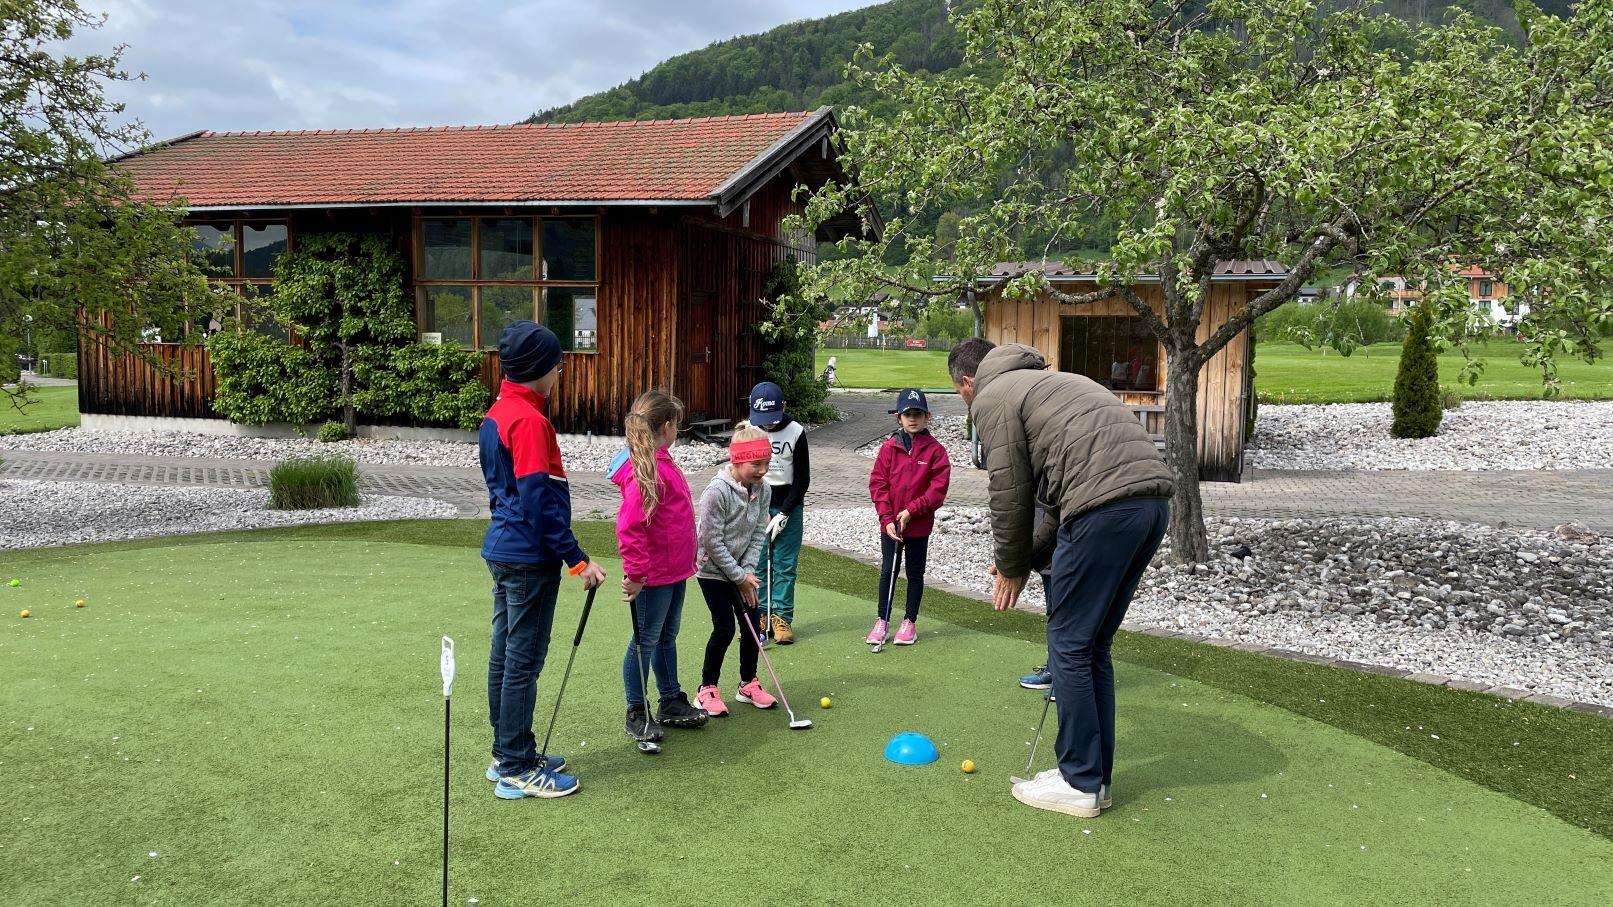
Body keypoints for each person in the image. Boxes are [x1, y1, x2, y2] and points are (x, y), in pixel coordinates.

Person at [949, 337, 1171, 818]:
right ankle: (1093, 777)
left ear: (968, 383)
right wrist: (1026, 557)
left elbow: (1010, 492)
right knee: (1091, 646)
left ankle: (1079, 782)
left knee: (1069, 645)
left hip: (1105, 510)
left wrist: (1010, 567)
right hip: (1151, 506)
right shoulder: (1053, 381)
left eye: (961, 394)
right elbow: (1055, 500)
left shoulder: (992, 396)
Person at [479, 321, 606, 800]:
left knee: (506, 656)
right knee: (522, 662)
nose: (561, 372)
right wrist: (576, 559)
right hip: (529, 557)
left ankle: (509, 751)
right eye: (558, 365)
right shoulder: (530, 421)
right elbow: (536, 500)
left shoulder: (500, 411)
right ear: (540, 370)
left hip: (505, 549)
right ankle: (515, 763)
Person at [608, 390, 708, 749]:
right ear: (667, 426)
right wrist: (635, 575)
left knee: (666, 636)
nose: (677, 430)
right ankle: (637, 711)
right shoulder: (644, 470)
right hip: (653, 576)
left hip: (675, 570)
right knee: (645, 642)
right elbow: (629, 527)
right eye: (677, 424)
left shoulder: (661, 461)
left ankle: (670, 699)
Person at [693, 425, 778, 716]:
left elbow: (758, 533)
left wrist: (747, 572)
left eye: (767, 463)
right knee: (725, 627)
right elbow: (711, 542)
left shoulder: (763, 489)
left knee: (752, 624)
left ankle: (747, 684)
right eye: (757, 464)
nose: (763, 470)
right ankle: (706, 688)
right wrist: (739, 577)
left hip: (742, 569)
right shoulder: (716, 492)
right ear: (738, 460)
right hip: (712, 570)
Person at [866, 388, 951, 647]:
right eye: (907, 414)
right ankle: (882, 620)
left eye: (917, 414)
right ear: (898, 418)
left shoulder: (936, 451)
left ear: (927, 417)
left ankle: (909, 622)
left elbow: (937, 491)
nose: (912, 419)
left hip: (918, 525)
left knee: (915, 573)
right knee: (888, 571)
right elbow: (878, 484)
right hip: (891, 525)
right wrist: (887, 518)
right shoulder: (889, 448)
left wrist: (912, 510)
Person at [748, 381, 810, 644]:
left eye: (772, 419)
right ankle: (759, 615)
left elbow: (802, 479)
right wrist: (756, 507)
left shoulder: (796, 432)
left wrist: (784, 513)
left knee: (785, 565)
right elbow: (742, 473)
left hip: (789, 507)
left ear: (783, 407)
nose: (768, 426)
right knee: (758, 564)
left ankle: (781, 617)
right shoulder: (750, 430)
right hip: (756, 505)